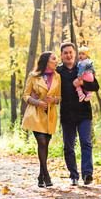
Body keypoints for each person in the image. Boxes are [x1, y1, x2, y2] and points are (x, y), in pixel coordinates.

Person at [57, 42, 99, 186]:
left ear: (75, 53)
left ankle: (87, 174)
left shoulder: (83, 66)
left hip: (84, 113)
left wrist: (81, 84)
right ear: (61, 55)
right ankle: (73, 175)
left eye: (71, 52)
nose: (68, 55)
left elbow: (96, 86)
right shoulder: (58, 72)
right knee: (68, 146)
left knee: (86, 143)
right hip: (67, 114)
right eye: (65, 53)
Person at [22, 51, 61, 188]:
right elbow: (26, 96)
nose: (57, 61)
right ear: (46, 61)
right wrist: (37, 102)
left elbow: (59, 97)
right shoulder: (33, 76)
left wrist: (54, 99)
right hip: (36, 115)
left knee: (45, 145)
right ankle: (47, 175)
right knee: (42, 143)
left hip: (50, 115)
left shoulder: (57, 77)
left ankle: (40, 177)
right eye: (54, 59)